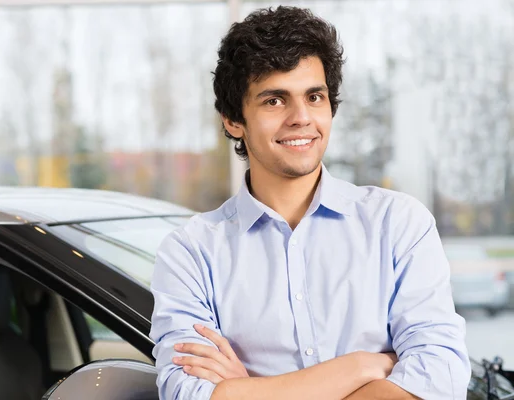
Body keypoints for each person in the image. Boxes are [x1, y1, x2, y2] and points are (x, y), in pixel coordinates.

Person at [149, 6, 471, 400]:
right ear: (233, 120)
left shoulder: (399, 224)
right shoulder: (191, 253)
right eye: (274, 101)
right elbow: (187, 394)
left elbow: (441, 377)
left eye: (314, 97)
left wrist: (249, 390)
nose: (301, 117)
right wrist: (363, 366)